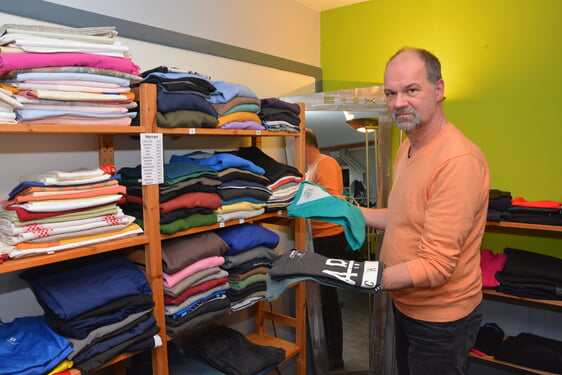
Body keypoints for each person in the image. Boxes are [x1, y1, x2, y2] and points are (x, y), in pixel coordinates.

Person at [361, 48, 490, 375]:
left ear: (439, 89)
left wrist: (364, 278)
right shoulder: (408, 145)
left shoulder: (458, 161)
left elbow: (436, 266)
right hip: (407, 304)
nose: (398, 102)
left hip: (441, 321)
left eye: (411, 90)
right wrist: (350, 211)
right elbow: (403, 218)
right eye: (391, 93)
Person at [305, 128, 354, 371]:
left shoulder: (326, 163)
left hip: (329, 238)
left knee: (328, 298)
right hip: (316, 238)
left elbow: (332, 202)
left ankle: (335, 354)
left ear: (303, 144)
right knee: (321, 298)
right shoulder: (309, 168)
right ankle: (324, 350)